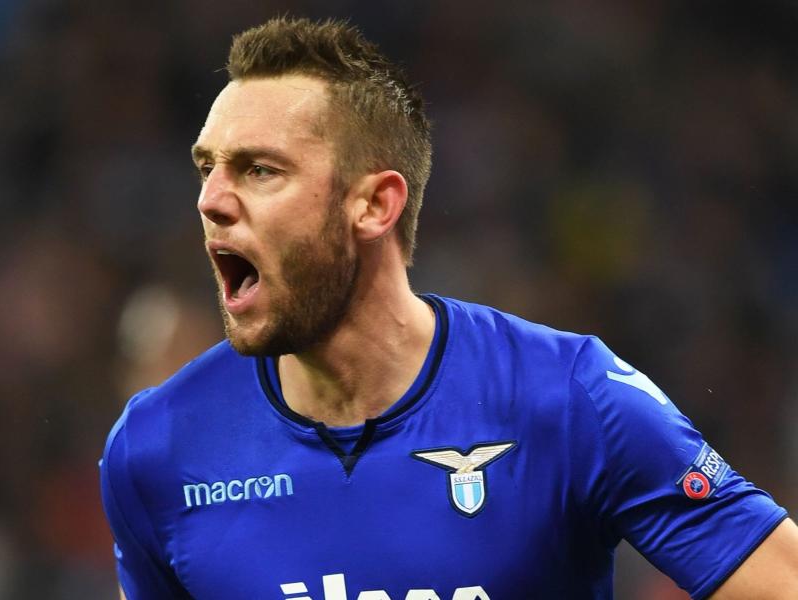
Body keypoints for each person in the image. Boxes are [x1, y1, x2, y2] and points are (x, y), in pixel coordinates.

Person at [100, 17, 798, 600]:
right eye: (206, 167)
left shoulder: (567, 398)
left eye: (260, 170)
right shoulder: (156, 450)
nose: (211, 200)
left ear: (374, 204)